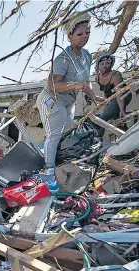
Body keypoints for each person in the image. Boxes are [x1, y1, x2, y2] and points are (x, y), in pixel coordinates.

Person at [36, 12, 96, 190]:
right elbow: (52, 84)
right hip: (51, 99)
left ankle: (56, 160)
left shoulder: (87, 56)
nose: (84, 37)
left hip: (68, 101)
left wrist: (94, 97)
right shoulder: (63, 58)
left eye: (87, 33)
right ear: (69, 37)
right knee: (54, 134)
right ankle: (48, 170)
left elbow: (87, 82)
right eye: (79, 34)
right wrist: (75, 85)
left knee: (68, 131)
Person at [95, 53, 131, 122]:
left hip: (124, 94)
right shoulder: (97, 78)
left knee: (103, 117)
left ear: (111, 65)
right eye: (102, 64)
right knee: (116, 117)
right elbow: (106, 91)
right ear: (98, 66)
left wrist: (122, 110)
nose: (104, 66)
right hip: (112, 96)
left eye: (107, 63)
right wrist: (106, 104)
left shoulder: (115, 76)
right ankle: (122, 129)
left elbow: (119, 93)